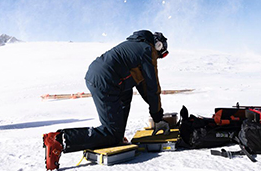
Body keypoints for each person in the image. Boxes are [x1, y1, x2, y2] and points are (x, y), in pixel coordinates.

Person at [43, 31, 169, 170]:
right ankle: (60, 139)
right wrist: (157, 116)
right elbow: (152, 86)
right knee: (110, 133)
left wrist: (155, 113)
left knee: (127, 95)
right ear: (157, 45)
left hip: (100, 76)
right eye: (159, 54)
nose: (157, 58)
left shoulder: (135, 45)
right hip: (107, 82)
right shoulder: (147, 49)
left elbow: (143, 86)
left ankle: (118, 136)